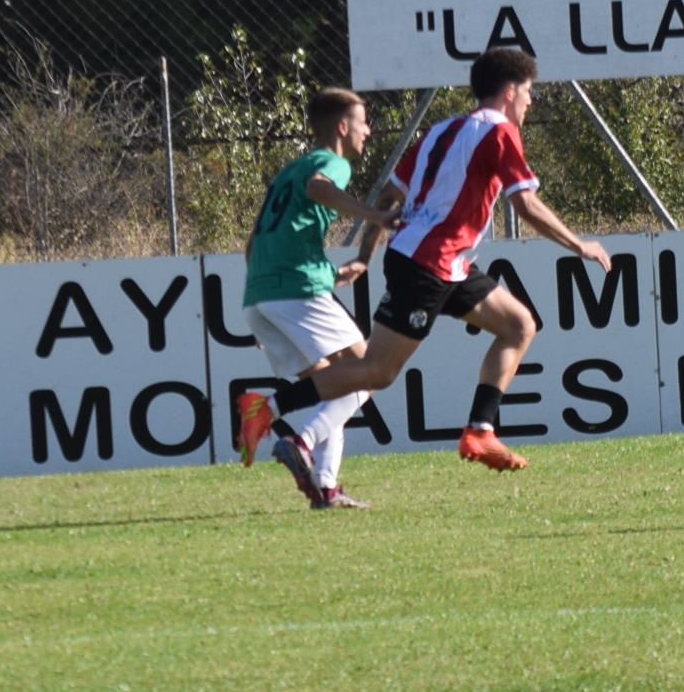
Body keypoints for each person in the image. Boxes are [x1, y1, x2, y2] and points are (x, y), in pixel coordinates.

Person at [235, 47, 605, 477]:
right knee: (376, 371)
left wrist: (364, 255)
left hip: (445, 262)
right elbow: (523, 203)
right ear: (508, 91)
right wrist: (579, 244)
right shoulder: (501, 132)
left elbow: (389, 196)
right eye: (527, 91)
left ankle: (480, 430)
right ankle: (269, 408)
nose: (530, 100)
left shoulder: (441, 130)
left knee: (519, 325)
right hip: (429, 263)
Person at [240, 87, 402, 508]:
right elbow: (319, 188)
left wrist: (270, 302)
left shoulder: (286, 172)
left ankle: (325, 487)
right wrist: (375, 215)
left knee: (336, 386)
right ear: (343, 126)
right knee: (370, 370)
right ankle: (296, 436)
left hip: (260, 296)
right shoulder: (329, 162)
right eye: (364, 122)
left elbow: (253, 242)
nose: (368, 131)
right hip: (296, 291)